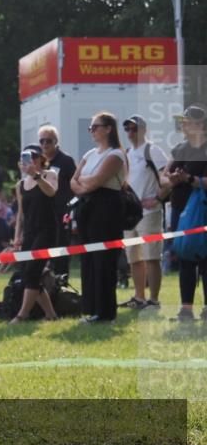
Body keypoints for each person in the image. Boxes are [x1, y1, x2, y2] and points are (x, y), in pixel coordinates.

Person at [71, 112, 127, 323]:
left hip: (107, 209)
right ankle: (92, 309)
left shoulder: (116, 154)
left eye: (95, 127)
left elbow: (95, 182)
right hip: (87, 207)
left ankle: (106, 312)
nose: (92, 131)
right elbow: (73, 181)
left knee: (104, 261)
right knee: (88, 259)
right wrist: (84, 183)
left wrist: (84, 182)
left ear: (108, 129)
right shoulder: (89, 154)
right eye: (91, 128)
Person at [120, 115, 170, 310]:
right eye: (128, 129)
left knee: (152, 257)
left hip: (149, 213)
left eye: (135, 129)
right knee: (134, 258)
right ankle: (139, 297)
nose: (131, 133)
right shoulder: (127, 153)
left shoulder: (152, 150)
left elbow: (167, 179)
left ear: (144, 130)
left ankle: (154, 299)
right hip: (130, 214)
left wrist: (157, 198)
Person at [163, 105, 207, 321]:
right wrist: (172, 178)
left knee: (205, 259)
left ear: (200, 125)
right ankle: (186, 310)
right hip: (180, 211)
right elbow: (166, 174)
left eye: (187, 121)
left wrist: (189, 179)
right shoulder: (180, 148)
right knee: (185, 260)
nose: (183, 125)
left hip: (202, 211)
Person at [8, 145, 59, 323]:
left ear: (41, 160)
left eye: (34, 157)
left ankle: (22, 315)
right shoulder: (20, 185)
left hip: (47, 230)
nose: (30, 161)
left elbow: (51, 192)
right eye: (26, 158)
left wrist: (36, 175)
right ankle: (51, 315)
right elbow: (21, 214)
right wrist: (16, 238)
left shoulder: (49, 174)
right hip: (29, 232)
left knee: (32, 271)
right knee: (29, 274)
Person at [39, 125, 77, 277]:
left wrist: (71, 210)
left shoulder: (66, 161)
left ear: (56, 141)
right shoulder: (39, 161)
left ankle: (61, 281)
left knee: (60, 249)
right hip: (43, 213)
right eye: (42, 141)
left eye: (48, 141)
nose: (45, 144)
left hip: (61, 213)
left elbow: (76, 185)